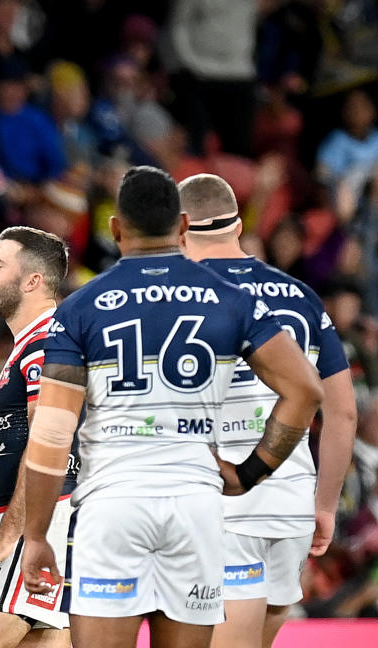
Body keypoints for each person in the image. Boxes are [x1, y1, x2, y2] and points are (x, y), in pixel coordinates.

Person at [19, 166, 324, 648]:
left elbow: (53, 433)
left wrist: (36, 535)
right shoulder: (231, 301)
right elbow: (306, 390)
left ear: (116, 228)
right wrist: (250, 472)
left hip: (113, 505)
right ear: (183, 227)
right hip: (198, 508)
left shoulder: (80, 307)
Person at [178, 173, 356, 648]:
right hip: (291, 500)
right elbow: (342, 414)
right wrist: (323, 506)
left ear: (180, 229)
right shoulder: (301, 295)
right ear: (239, 226)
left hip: (222, 501)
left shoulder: (181, 296)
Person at [0, 226, 75, 648]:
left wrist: (7, 536)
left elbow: (49, 438)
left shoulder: (45, 341)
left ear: (32, 281)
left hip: (36, 524)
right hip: (56, 519)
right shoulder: (43, 340)